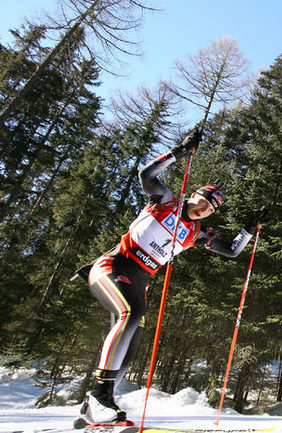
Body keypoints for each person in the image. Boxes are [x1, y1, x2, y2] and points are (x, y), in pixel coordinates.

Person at [76, 129, 270, 425]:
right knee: (132, 312)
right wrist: (178, 152)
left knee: (128, 350)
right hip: (113, 267)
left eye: (209, 210)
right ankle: (100, 396)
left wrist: (250, 227)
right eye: (203, 201)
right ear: (193, 195)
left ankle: (96, 409)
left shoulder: (196, 233)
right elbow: (146, 175)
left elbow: (231, 250)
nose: (203, 209)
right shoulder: (165, 200)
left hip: (138, 282)